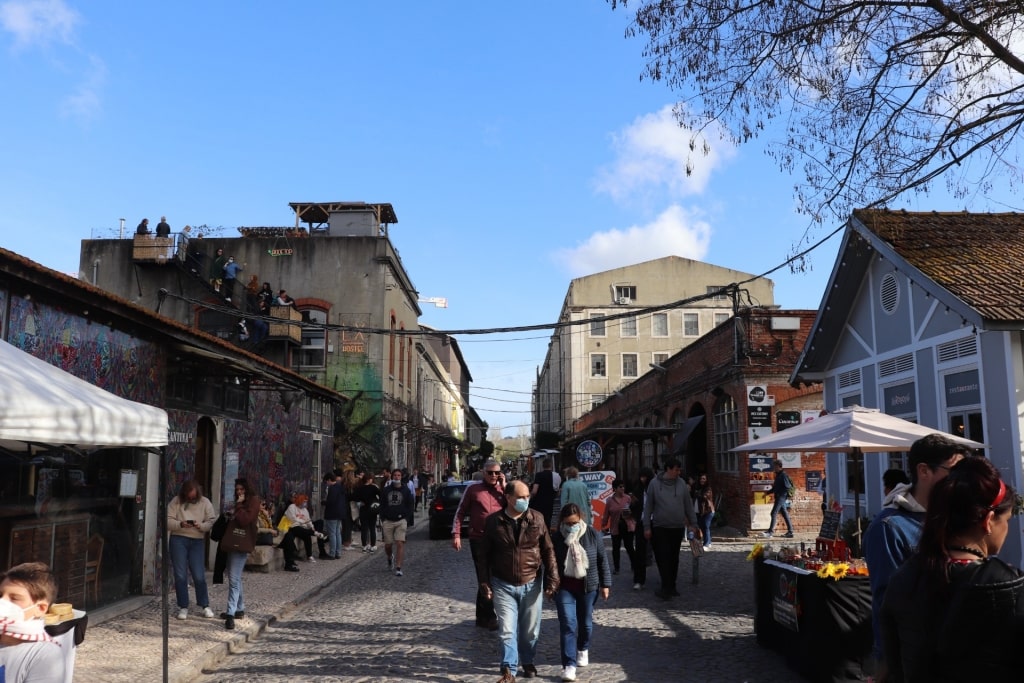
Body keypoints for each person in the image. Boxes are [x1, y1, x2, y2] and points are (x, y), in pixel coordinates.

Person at [880, 456, 1020, 681]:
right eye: (1007, 520)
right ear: (989, 520)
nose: (1007, 529)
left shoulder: (904, 578)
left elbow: (894, 664)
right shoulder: (1011, 586)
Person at [864, 433, 967, 669]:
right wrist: (888, 662)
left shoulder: (959, 517)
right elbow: (887, 603)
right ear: (924, 471)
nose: (960, 482)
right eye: (953, 472)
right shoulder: (890, 527)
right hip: (915, 658)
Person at [475, 480, 559, 683]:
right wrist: (484, 582)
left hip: (532, 582)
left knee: (530, 631)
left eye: (527, 496)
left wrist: (553, 578)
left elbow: (548, 550)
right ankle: (509, 669)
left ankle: (528, 660)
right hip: (502, 583)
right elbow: (483, 555)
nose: (525, 500)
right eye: (521, 497)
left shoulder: (537, 518)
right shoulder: (494, 521)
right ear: (508, 497)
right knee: (507, 630)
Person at [551, 502, 612, 682]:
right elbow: (550, 563)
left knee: (585, 623)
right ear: (562, 521)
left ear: (580, 520)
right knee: (568, 624)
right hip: (564, 587)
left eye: (574, 522)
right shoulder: (556, 538)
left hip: (588, 586)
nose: (571, 526)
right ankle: (569, 665)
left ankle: (582, 648)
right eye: (568, 523)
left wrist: (605, 584)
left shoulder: (592, 534)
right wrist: (549, 585)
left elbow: (602, 560)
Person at [452, 459, 506, 630]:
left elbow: (515, 507)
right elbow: (460, 512)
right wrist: (456, 534)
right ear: (484, 472)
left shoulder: (504, 490)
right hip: (479, 539)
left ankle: (481, 616)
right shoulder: (473, 489)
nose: (494, 476)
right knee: (485, 576)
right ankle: (489, 616)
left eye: (497, 472)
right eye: (490, 472)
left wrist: (504, 487)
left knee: (492, 577)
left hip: (499, 539)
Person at [641, 458, 698, 600]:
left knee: (674, 558)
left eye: (680, 470)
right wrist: (647, 526)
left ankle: (671, 585)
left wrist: (693, 523)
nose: (678, 472)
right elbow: (648, 507)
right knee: (663, 557)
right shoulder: (654, 484)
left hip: (677, 526)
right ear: (668, 469)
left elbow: (688, 505)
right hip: (660, 526)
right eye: (676, 470)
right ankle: (666, 586)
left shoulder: (681, 484)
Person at [0, 562, 65, 683]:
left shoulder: (44, 655)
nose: (2, 602)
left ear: (40, 608)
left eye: (14, 598)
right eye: (0, 595)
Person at [167, 479, 217, 620]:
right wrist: (180, 524)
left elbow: (211, 521)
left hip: (197, 540)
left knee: (199, 574)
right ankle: (183, 606)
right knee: (180, 574)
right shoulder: (176, 501)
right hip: (178, 540)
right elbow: (167, 521)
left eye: (193, 497)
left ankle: (205, 604)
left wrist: (200, 526)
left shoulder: (205, 502)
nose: (191, 499)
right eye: (188, 497)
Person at [222, 478, 259, 630]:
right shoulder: (242, 502)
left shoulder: (254, 501)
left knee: (233, 579)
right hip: (234, 541)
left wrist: (238, 505)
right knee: (235, 577)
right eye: (237, 490)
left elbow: (245, 520)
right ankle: (239, 608)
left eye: (241, 490)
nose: (239, 492)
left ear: (247, 489)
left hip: (242, 543)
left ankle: (230, 614)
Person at [379, 469, 415, 577]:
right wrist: (383, 517)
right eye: (395, 475)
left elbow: (410, 505)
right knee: (388, 545)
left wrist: (407, 518)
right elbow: (382, 504)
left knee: (400, 543)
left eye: (399, 475)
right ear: (392, 476)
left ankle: (398, 567)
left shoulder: (406, 490)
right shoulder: (386, 490)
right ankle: (390, 557)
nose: (397, 477)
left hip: (401, 520)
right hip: (388, 520)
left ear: (401, 477)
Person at [601, 479, 635, 574]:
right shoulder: (610, 501)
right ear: (615, 489)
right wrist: (603, 525)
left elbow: (634, 511)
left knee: (629, 546)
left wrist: (630, 513)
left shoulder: (628, 498)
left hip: (627, 525)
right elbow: (606, 514)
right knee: (616, 548)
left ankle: (634, 564)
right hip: (615, 526)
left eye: (623, 486)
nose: (622, 488)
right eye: (620, 487)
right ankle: (617, 568)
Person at [279, 494, 319, 570]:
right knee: (290, 539)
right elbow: (293, 519)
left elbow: (308, 520)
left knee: (307, 535)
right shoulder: (292, 507)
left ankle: (309, 555)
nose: (305, 503)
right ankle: (315, 533)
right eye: (304, 501)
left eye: (306, 502)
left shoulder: (305, 510)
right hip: (290, 527)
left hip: (301, 528)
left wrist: (312, 527)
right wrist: (302, 522)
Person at [629, 467, 654, 590]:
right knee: (639, 552)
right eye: (641, 477)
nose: (643, 479)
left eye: (645, 477)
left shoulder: (654, 489)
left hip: (655, 522)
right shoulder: (637, 489)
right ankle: (639, 580)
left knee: (660, 551)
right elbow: (633, 507)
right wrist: (632, 504)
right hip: (641, 522)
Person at [762, 460, 795, 538]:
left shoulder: (783, 475)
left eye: (775, 466)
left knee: (773, 513)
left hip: (781, 497)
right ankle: (790, 532)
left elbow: (788, 487)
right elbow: (775, 488)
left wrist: (783, 495)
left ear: (779, 466)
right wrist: (767, 493)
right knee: (784, 513)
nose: (774, 468)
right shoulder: (778, 475)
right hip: (779, 496)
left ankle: (770, 532)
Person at [529, 458, 560, 528]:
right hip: (549, 502)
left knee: (538, 519)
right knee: (548, 520)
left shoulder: (539, 475)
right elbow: (557, 491)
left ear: (543, 466)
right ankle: (547, 535)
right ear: (551, 466)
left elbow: (534, 491)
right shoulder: (556, 476)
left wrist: (529, 497)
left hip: (539, 502)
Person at [353, 472, 380, 552]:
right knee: (372, 528)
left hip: (363, 509)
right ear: (369, 479)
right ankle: (373, 545)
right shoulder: (373, 488)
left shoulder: (359, 488)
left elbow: (354, 497)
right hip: (372, 509)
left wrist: (361, 501)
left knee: (364, 529)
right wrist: (376, 502)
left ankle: (364, 545)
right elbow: (381, 495)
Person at [322, 472, 347, 559]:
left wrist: (323, 502)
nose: (326, 484)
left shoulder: (332, 488)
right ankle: (338, 553)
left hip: (332, 513)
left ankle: (332, 553)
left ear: (329, 480)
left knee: (332, 534)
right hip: (340, 513)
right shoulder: (340, 487)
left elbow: (331, 502)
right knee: (337, 533)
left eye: (326, 482)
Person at [692, 473, 716, 549]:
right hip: (699, 512)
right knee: (702, 527)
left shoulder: (708, 489)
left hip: (708, 511)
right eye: (701, 479)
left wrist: (698, 494)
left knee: (706, 526)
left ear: (706, 480)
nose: (702, 480)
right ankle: (709, 542)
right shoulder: (697, 488)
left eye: (703, 479)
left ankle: (706, 544)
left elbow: (705, 496)